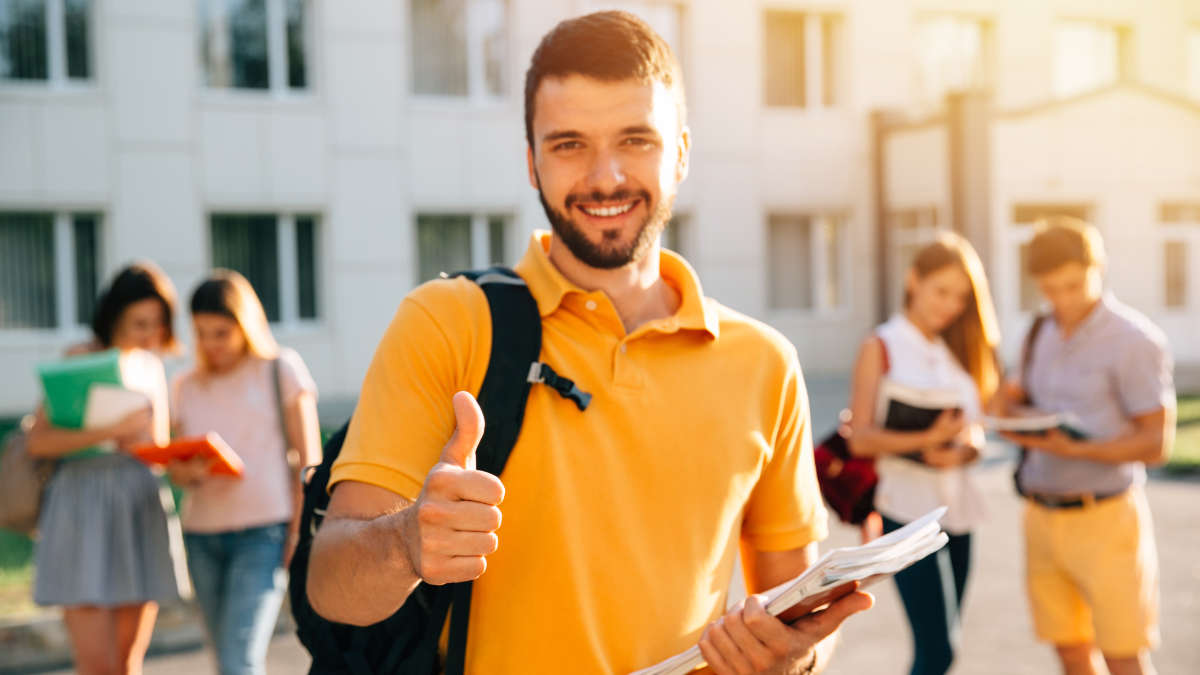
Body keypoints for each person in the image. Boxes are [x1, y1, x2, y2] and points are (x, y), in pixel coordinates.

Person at [305, 11, 872, 675]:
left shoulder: (765, 363)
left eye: (636, 140)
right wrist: (406, 541)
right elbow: (332, 585)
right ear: (531, 162)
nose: (605, 177)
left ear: (682, 151)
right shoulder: (446, 323)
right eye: (570, 143)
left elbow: (798, 600)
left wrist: (793, 657)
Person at [996, 217, 1174, 675]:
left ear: (1099, 268)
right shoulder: (1040, 332)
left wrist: (1077, 450)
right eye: (1050, 289)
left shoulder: (1135, 340)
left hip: (1106, 520)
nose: (1063, 299)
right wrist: (1010, 419)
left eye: (1073, 285)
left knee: (1123, 656)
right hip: (1040, 515)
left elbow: (1157, 444)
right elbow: (1012, 399)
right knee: (1070, 652)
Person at [844, 233, 1000, 675]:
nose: (951, 305)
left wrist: (966, 450)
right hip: (906, 513)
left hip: (959, 513)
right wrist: (927, 439)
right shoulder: (881, 345)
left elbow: (976, 430)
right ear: (914, 281)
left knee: (945, 645)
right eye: (941, 291)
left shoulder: (959, 348)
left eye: (961, 297)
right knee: (938, 650)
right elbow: (861, 439)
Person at [26, 262, 189, 675]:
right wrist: (111, 431)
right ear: (114, 316)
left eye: (157, 324)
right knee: (96, 667)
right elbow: (38, 441)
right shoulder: (79, 358)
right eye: (139, 323)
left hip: (139, 505)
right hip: (81, 506)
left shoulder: (153, 368)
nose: (150, 334)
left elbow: (158, 446)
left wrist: (182, 456)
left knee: (127, 664)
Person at [167, 270, 321, 675]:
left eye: (221, 332)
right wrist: (189, 472)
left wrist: (299, 534)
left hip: (264, 534)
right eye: (201, 333)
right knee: (224, 659)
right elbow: (176, 470)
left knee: (239, 659)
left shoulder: (280, 369)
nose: (211, 344)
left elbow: (310, 463)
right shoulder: (186, 385)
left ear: (245, 324)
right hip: (201, 535)